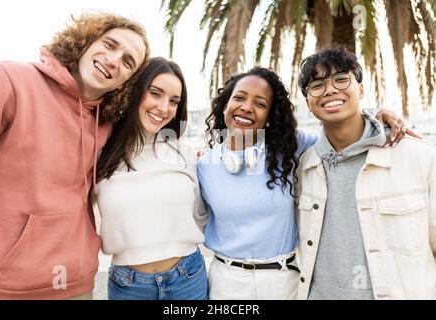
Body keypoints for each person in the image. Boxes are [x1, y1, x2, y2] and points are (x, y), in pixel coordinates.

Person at [197, 65, 412, 300]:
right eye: (239, 98)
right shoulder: (203, 165)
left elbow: (343, 134)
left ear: (270, 116)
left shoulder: (290, 148)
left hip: (283, 282)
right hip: (226, 282)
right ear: (225, 104)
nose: (247, 107)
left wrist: (378, 116)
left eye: (260, 104)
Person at [0, 12, 149, 300]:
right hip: (3, 285)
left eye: (128, 62)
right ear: (86, 40)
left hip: (75, 284)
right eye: (110, 45)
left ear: (127, 81)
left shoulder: (107, 122)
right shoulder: (10, 80)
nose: (113, 60)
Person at [295, 46, 436, 300]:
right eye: (317, 85)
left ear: (360, 89)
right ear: (308, 102)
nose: (330, 90)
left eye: (341, 79)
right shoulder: (303, 167)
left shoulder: (419, 157)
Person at [95, 57, 208, 300]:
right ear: (135, 91)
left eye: (174, 101)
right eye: (155, 93)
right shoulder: (101, 154)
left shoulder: (185, 153)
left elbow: (200, 215)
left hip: (187, 278)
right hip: (129, 285)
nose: (164, 107)